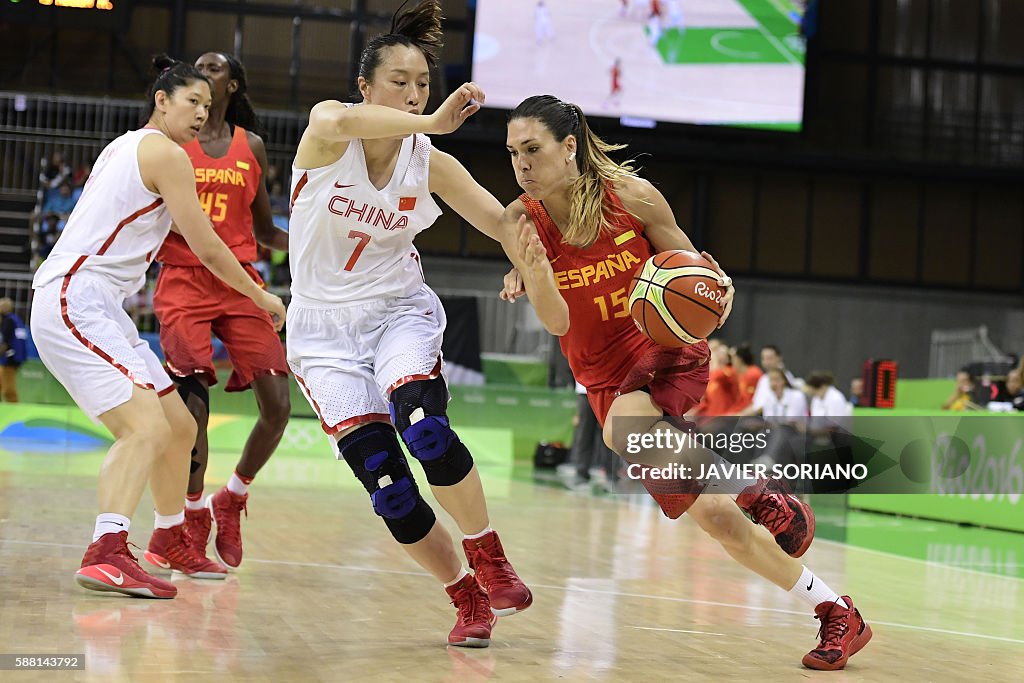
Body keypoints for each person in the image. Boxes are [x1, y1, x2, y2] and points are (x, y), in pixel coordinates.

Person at [498, 95, 871, 670]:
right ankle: (835, 611)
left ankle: (760, 493)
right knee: (719, 521)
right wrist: (537, 273)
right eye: (513, 153)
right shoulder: (520, 222)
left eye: (533, 149)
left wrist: (717, 296)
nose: (521, 164)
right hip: (604, 378)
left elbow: (700, 279)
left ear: (569, 146)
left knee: (623, 431)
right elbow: (556, 322)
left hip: (665, 349)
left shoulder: (632, 197)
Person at [286, 0, 531, 648]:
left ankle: (487, 550)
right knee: (389, 488)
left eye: (423, 83)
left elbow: (504, 220)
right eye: (400, 81)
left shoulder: (430, 162)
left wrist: (524, 261)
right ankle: (464, 593)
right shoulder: (328, 131)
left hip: (397, 311)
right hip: (320, 334)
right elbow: (337, 116)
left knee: (424, 429)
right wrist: (430, 118)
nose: (415, 93)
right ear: (367, 86)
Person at [29, 55, 286, 599]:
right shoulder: (167, 154)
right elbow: (208, 246)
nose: (201, 114)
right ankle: (106, 550)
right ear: (161, 100)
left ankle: (168, 537)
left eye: (209, 106)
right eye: (192, 102)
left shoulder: (124, 145)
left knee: (179, 426)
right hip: (77, 298)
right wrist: (261, 295)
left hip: (100, 305)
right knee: (144, 426)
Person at [154, 51, 292, 570]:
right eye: (198, 67)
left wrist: (314, 249)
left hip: (239, 283)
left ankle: (231, 497)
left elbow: (264, 230)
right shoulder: (169, 143)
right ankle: (190, 522)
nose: (203, 71)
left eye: (213, 68)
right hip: (184, 278)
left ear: (232, 84)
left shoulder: (249, 145)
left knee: (278, 406)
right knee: (193, 413)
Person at [0, 297, 27, 402]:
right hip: (16, 357)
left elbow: (5, 342)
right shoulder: (16, 319)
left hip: (9, 358)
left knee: (8, 389)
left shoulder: (8, 321)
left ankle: (13, 409)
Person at [729, 342, 762, 412]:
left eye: (733, 358)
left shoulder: (753, 373)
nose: (732, 362)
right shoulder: (742, 375)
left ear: (739, 359)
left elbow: (752, 401)